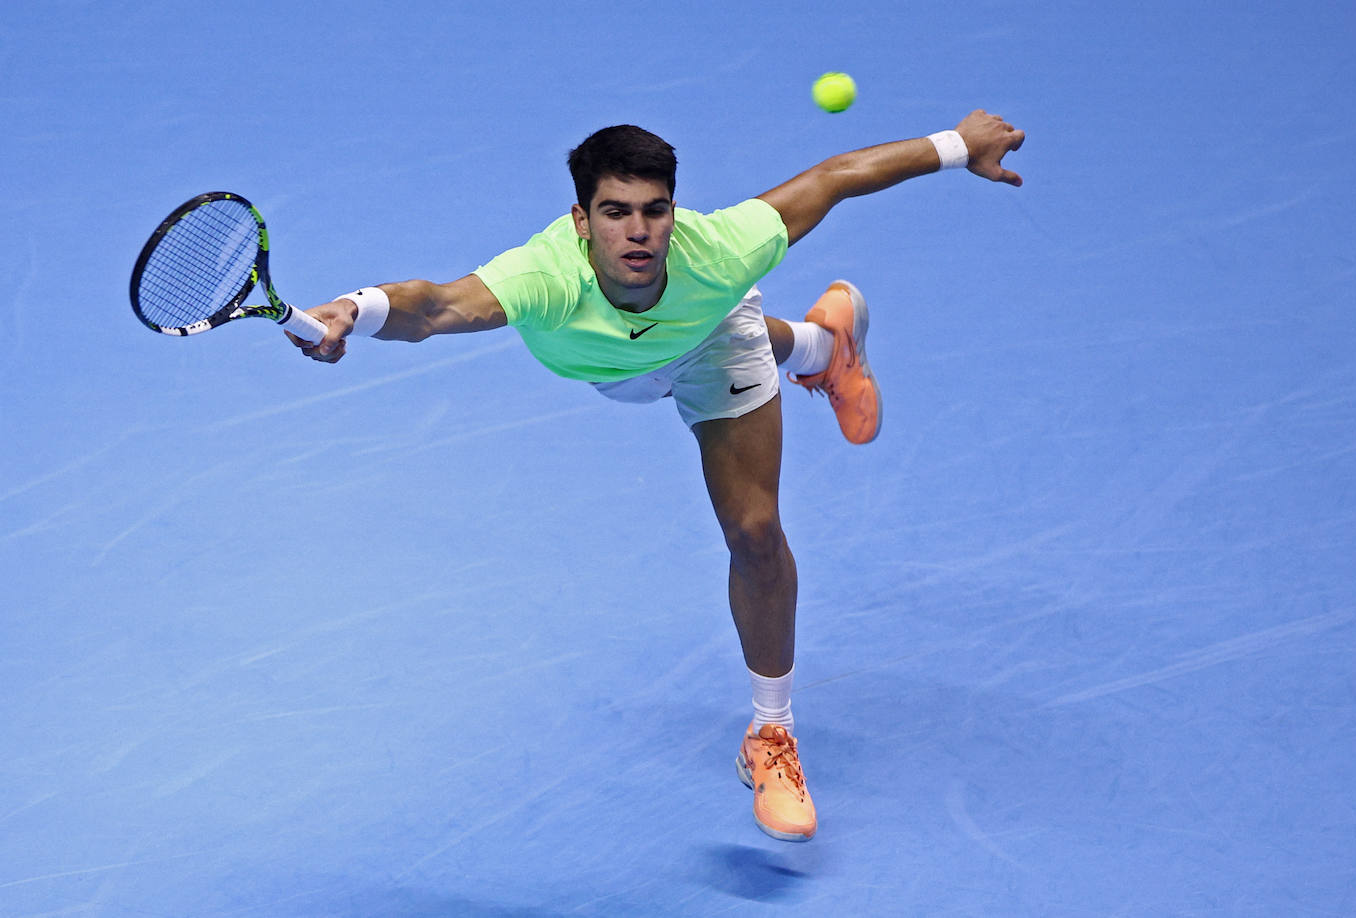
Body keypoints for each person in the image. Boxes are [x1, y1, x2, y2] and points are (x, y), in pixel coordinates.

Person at [289, 109, 1025, 842]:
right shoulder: (543, 277)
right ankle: (821, 348)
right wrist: (356, 307)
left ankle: (771, 737)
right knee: (668, 347)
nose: (637, 231)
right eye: (615, 213)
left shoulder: (718, 251)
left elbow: (832, 180)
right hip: (617, 369)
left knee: (755, 529)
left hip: (712, 341)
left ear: (674, 211)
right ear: (581, 220)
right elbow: (436, 306)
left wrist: (962, 146)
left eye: (654, 211)